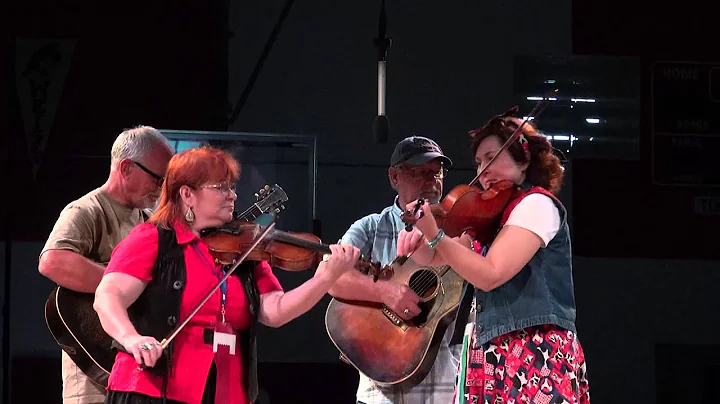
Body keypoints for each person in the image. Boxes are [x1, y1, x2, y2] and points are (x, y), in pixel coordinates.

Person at [92, 145, 360, 404]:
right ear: (187, 194)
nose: (232, 195)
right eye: (221, 188)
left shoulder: (245, 252)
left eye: (231, 187)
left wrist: (324, 279)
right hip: (154, 389)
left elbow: (275, 311)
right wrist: (132, 338)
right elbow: (108, 296)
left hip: (225, 391)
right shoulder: (153, 239)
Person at [397, 108, 591, 404]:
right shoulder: (489, 219)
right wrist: (418, 239)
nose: (481, 172)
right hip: (488, 351)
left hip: (532, 351)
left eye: (491, 158)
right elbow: (441, 256)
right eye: (478, 162)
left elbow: (491, 273)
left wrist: (435, 234)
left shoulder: (537, 205)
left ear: (523, 161)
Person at [39, 125, 175, 404]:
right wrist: (121, 288)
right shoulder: (87, 210)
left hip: (130, 363)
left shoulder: (149, 221)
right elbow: (53, 261)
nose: (161, 189)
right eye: (157, 179)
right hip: (92, 362)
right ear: (126, 168)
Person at [328, 136, 459, 403]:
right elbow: (331, 276)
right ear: (394, 177)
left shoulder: (458, 232)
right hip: (379, 389)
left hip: (444, 385)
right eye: (419, 172)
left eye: (436, 173)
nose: (431, 181)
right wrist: (385, 291)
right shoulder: (371, 228)